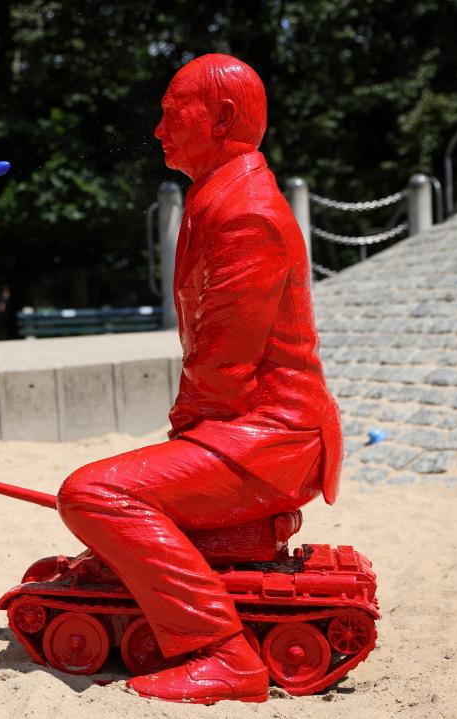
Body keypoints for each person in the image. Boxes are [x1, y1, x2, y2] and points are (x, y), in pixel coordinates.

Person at [56, 54, 342, 704]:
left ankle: (222, 652)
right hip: (252, 428)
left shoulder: (246, 213)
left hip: (272, 437)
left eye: (168, 112)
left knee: (93, 494)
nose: (158, 129)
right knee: (120, 487)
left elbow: (222, 364)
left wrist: (174, 456)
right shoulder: (220, 196)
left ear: (221, 117)